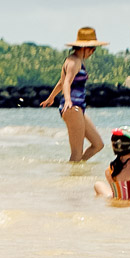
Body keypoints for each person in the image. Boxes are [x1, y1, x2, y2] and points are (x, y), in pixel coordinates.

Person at [40, 27, 104, 161]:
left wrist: (51, 98)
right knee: (76, 152)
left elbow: (61, 82)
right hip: (73, 107)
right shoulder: (74, 61)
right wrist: (68, 100)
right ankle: (71, 178)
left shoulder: (77, 61)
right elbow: (67, 82)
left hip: (78, 107)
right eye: (92, 48)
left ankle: (77, 170)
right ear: (83, 47)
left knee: (98, 144)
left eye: (94, 49)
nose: (93, 52)